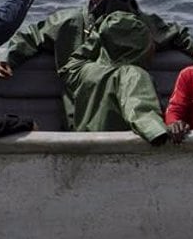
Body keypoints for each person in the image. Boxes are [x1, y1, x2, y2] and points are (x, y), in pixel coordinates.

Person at [0, 0, 193, 91]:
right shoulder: (71, 22)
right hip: (80, 108)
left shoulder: (142, 26)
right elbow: (33, 35)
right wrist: (8, 58)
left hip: (127, 104)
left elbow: (177, 34)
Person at [58, 9, 171, 143]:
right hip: (115, 150)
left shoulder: (86, 71)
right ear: (137, 46)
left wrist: (99, 34)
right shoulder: (133, 75)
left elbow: (71, 64)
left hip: (85, 147)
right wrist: (157, 131)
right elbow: (140, 110)